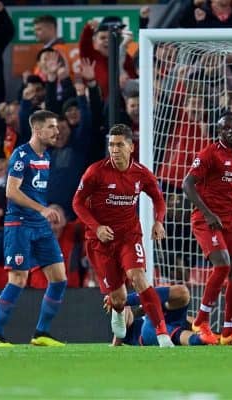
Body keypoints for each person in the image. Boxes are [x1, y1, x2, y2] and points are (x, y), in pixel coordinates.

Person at [72, 124, 175, 348]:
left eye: (119, 144)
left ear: (131, 146)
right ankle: (118, 312)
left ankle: (163, 335)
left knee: (138, 277)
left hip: (129, 236)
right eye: (111, 144)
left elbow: (158, 198)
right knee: (118, 298)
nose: (114, 149)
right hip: (101, 242)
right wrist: (97, 227)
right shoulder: (96, 172)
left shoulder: (141, 173)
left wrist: (159, 221)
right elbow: (77, 202)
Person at [0, 110, 67, 348]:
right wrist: (41, 209)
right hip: (19, 224)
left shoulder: (47, 156)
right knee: (18, 279)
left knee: (59, 279)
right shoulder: (21, 155)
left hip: (40, 226)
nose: (56, 131)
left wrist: (42, 211)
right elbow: (11, 191)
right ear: (38, 130)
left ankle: (41, 333)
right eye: (51, 127)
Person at [183, 111, 232, 346]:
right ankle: (201, 321)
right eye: (226, 128)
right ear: (219, 132)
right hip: (205, 219)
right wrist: (207, 213)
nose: (231, 131)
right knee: (223, 264)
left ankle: (228, 333)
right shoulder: (209, 154)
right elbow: (187, 184)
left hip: (230, 220)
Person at [106, 285, 210, 346]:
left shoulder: (138, 312)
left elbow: (191, 321)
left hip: (167, 316)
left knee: (182, 292)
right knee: (179, 335)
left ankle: (205, 338)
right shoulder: (128, 332)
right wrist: (116, 343)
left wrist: (201, 327)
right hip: (148, 331)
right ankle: (200, 339)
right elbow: (119, 334)